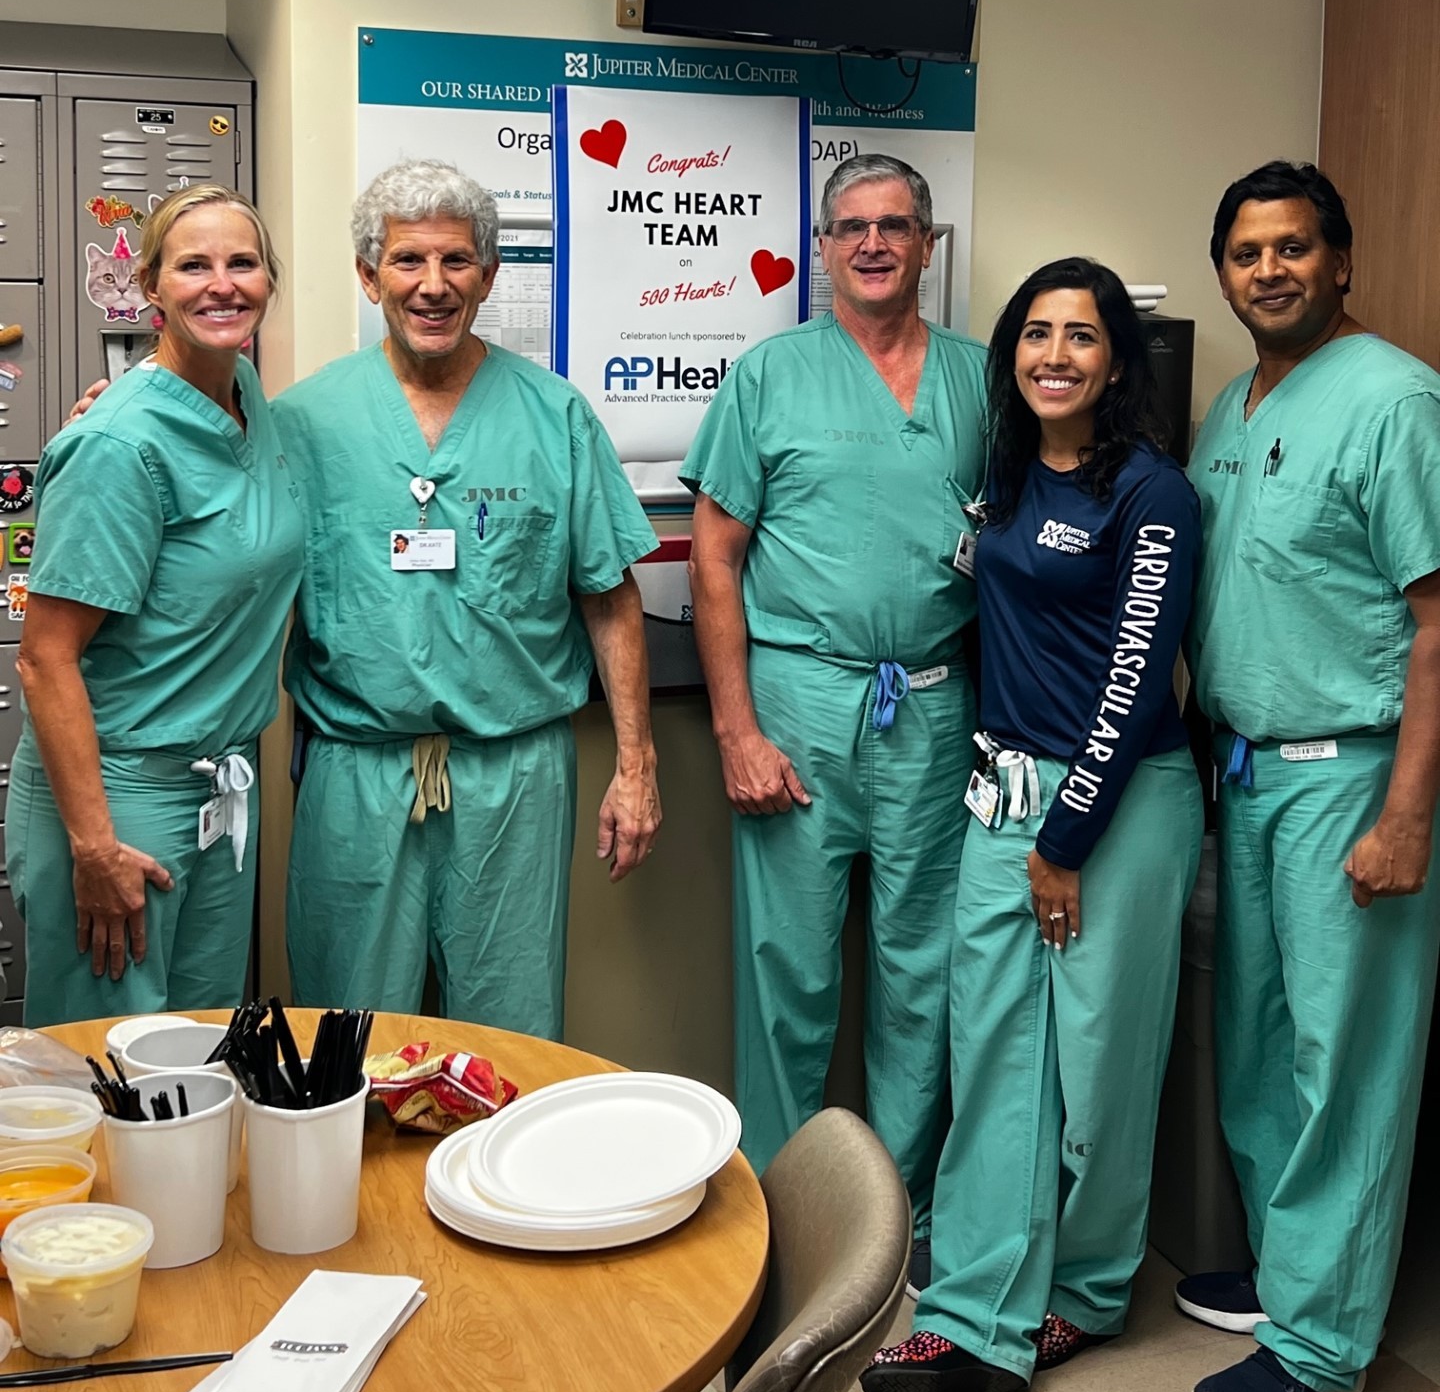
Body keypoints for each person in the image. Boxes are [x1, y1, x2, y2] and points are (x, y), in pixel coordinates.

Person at [860, 257, 1203, 1392]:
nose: (1056, 355)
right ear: (1011, 353)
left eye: (1083, 337)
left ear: (1117, 361)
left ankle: (1092, 1289)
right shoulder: (1003, 477)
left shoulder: (1151, 493)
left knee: (1100, 1063)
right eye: (1037, 334)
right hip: (1003, 792)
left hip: (1123, 803)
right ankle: (970, 1313)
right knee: (996, 1051)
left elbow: (1135, 677)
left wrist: (1068, 837)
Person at [682, 153, 987, 1275]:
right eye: (851, 226)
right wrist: (736, 728)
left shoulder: (982, 378)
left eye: (896, 225)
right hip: (799, 697)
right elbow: (715, 562)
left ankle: (891, 1219)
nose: (873, 244)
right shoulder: (771, 375)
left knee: (923, 970)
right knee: (790, 970)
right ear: (823, 245)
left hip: (939, 701)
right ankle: (781, 1213)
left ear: (927, 244)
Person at [274, 159, 661, 1036]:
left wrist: (637, 770)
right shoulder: (303, 422)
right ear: (369, 274)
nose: (433, 286)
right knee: (344, 1039)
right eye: (408, 261)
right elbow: (222, 546)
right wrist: (126, 406)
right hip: (354, 769)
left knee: (511, 1033)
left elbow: (610, 596)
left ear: (489, 275)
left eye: (456, 262)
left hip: (514, 772)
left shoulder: (553, 415)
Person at [1178, 162, 1440, 1392]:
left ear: (1341, 262)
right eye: (1246, 252)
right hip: (1245, 774)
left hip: (1352, 773)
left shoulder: (1398, 401)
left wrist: (1406, 814)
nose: (1268, 270)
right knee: (1262, 1049)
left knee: (1347, 1062)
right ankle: (1295, 1273)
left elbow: (1438, 621)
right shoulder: (1232, 406)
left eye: (1293, 249)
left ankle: (1326, 1347)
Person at [9, 185, 303, 1022]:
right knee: (107, 1064)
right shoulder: (118, 443)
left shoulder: (243, 392)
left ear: (268, 282)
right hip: (120, 793)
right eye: (193, 265)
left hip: (219, 789)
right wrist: (94, 845)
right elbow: (44, 657)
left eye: (241, 263)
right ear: (151, 288)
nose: (222, 284)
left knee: (198, 1056)